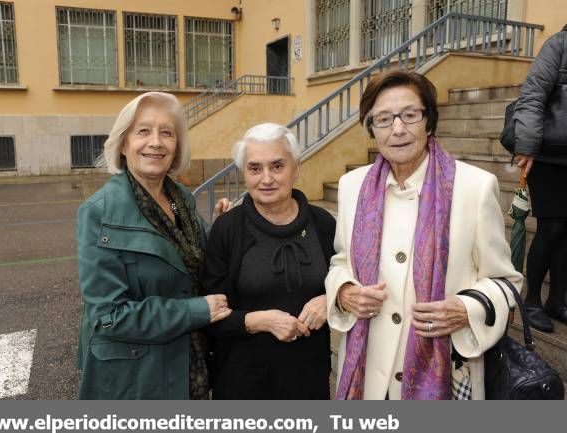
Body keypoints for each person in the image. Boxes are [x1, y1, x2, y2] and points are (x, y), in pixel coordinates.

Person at [326, 71, 523, 400]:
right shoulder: (352, 187)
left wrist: (466, 309)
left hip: (445, 369)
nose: (398, 129)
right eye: (384, 119)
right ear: (371, 128)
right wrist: (344, 291)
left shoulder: (473, 186)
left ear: (429, 121)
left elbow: (506, 281)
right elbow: (341, 260)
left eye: (410, 115)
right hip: (368, 374)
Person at [76, 92, 232, 399]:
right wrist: (197, 311)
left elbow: (186, 260)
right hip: (135, 379)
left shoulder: (180, 201)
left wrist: (217, 228)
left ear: (176, 147)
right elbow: (109, 315)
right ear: (123, 143)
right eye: (143, 131)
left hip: (186, 366)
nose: (156, 142)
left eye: (167, 133)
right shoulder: (99, 212)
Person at [202, 123, 335, 399]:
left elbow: (348, 283)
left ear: (296, 168)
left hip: (309, 379)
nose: (266, 178)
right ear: (244, 174)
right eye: (255, 168)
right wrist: (260, 321)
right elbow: (209, 316)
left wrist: (331, 298)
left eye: (277, 166)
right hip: (243, 382)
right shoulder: (227, 229)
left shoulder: (323, 224)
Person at [514, 24, 567, 332]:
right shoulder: (558, 44)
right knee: (552, 226)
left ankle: (557, 300)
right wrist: (528, 146)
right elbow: (533, 95)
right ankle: (532, 299)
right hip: (547, 154)